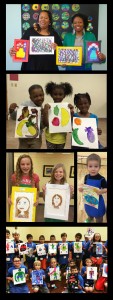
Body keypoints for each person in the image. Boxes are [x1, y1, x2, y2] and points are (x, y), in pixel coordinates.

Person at [9, 84, 45, 149]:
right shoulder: (25, 105)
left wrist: (44, 115)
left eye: (41, 95)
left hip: (36, 138)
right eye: (35, 96)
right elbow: (15, 117)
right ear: (31, 97)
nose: (39, 98)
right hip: (24, 138)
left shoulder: (42, 108)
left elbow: (42, 126)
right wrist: (11, 111)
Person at [43, 81, 74, 149]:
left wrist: (71, 113)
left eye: (60, 94)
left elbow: (69, 126)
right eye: (55, 94)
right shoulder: (48, 107)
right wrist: (45, 111)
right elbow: (45, 124)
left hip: (61, 139)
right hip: (50, 139)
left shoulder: (67, 107)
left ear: (64, 96)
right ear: (51, 95)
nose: (57, 96)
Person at [8, 154, 40, 218]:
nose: (25, 166)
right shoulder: (14, 176)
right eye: (22, 164)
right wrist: (9, 197)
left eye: (28, 164)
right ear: (19, 165)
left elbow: (38, 190)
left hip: (30, 205)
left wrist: (37, 198)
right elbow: (12, 190)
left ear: (31, 165)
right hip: (18, 205)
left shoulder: (35, 176)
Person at [78, 153, 107, 223]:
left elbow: (106, 189)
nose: (93, 169)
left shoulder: (102, 179)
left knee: (99, 219)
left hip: (98, 204)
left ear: (99, 167)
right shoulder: (86, 177)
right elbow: (85, 187)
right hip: (88, 202)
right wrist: (82, 189)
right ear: (87, 167)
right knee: (90, 216)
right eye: (90, 166)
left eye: (96, 166)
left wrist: (101, 191)